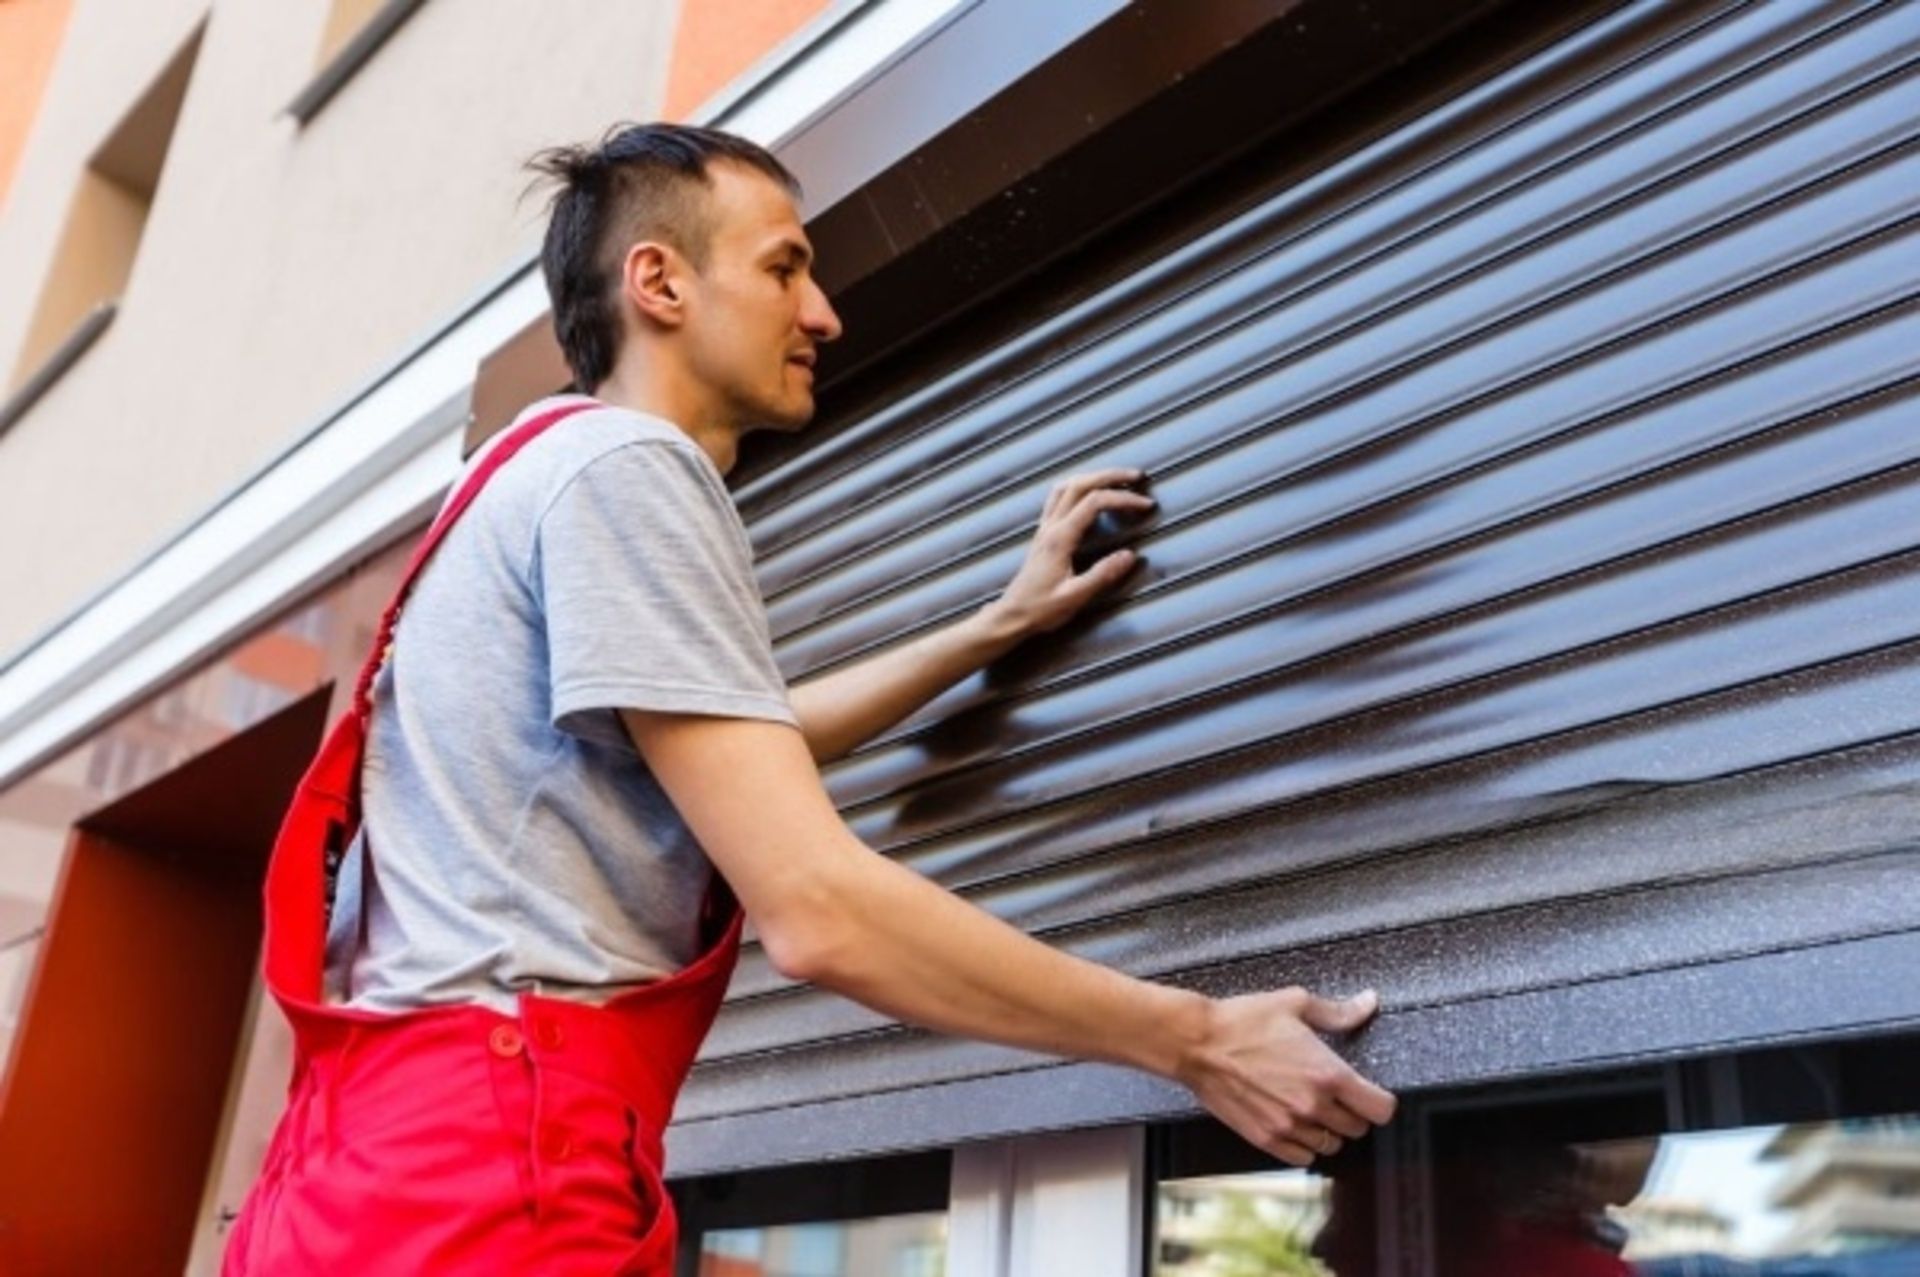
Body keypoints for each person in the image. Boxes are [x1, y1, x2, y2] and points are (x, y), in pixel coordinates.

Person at [222, 121, 1396, 1275]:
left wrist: (997, 625)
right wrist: (1198, 1039)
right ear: (659, 282)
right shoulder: (628, 466)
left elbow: (745, 736)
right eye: (784, 266)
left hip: (355, 1179)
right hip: (494, 1180)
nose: (824, 312)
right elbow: (818, 907)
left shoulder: (517, 480)